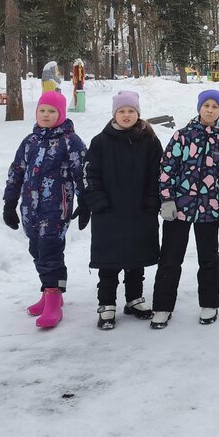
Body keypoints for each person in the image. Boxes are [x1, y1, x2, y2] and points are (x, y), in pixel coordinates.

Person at [2, 90, 87, 329]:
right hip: (30, 208)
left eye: (52, 111)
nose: (46, 115)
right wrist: (9, 202)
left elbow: (83, 173)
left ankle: (53, 298)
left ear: (60, 114)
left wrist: (86, 201)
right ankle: (50, 293)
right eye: (42, 110)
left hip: (56, 208)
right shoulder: (29, 141)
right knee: (36, 249)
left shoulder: (71, 141)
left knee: (50, 250)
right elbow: (16, 171)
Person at [151, 89, 219, 329]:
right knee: (170, 258)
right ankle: (163, 307)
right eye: (206, 105)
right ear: (199, 107)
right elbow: (166, 169)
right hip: (178, 208)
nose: (210, 110)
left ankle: (209, 303)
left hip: (209, 209)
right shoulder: (182, 137)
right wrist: (166, 199)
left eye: (215, 107)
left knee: (209, 258)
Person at [81, 91, 162, 330]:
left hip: (140, 209)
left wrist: (152, 201)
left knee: (136, 257)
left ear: (138, 114)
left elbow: (158, 172)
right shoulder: (100, 141)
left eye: (131, 111)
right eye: (122, 111)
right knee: (109, 260)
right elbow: (89, 174)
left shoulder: (149, 139)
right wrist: (97, 201)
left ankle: (134, 298)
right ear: (114, 114)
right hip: (109, 211)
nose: (127, 115)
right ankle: (106, 303)